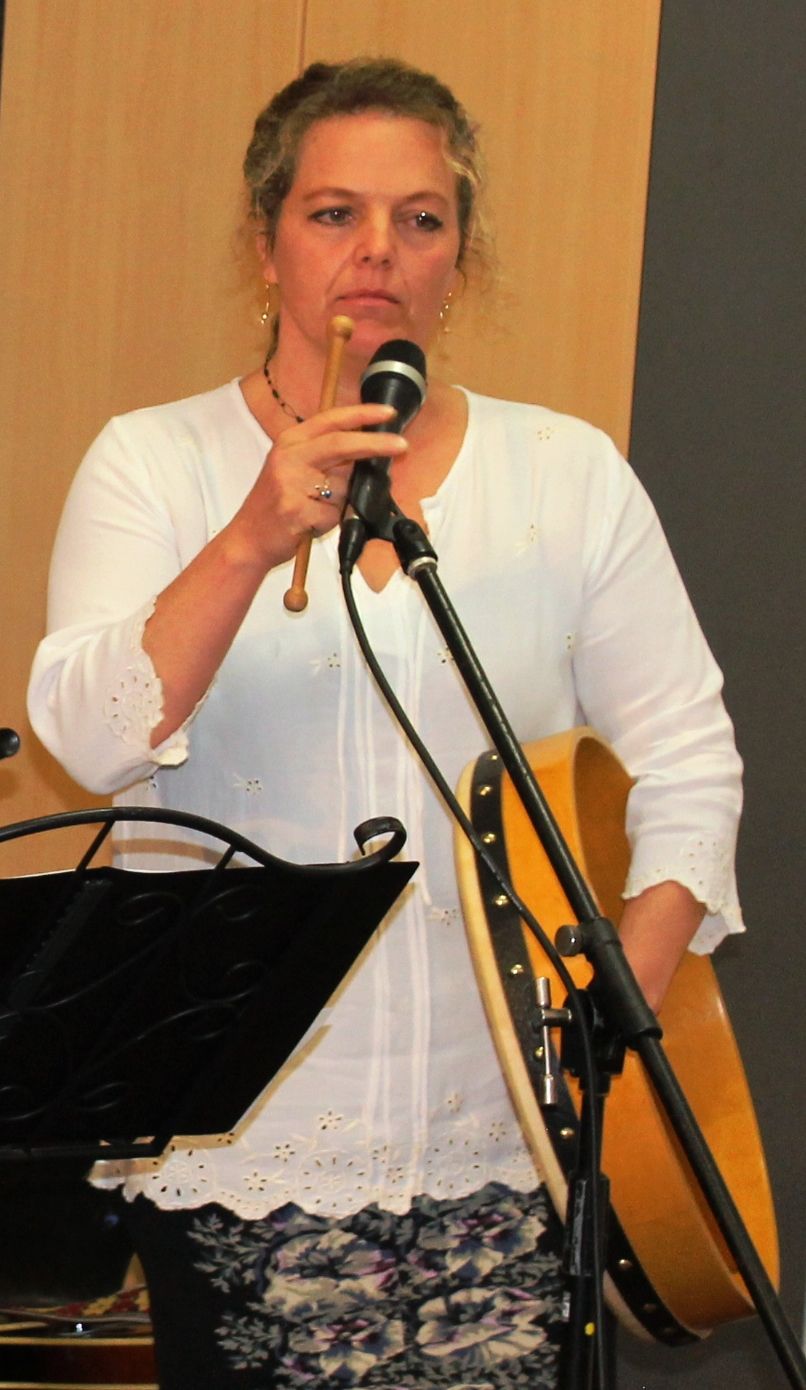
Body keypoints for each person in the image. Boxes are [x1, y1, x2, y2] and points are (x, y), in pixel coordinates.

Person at [27, 57, 744, 1390]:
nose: (378, 251)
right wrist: (249, 538)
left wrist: (607, 1019)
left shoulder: (566, 474)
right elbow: (91, 733)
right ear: (265, 245)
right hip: (242, 1149)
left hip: (509, 1147)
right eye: (333, 213)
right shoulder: (154, 462)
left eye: (420, 218)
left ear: (459, 255)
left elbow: (689, 762)